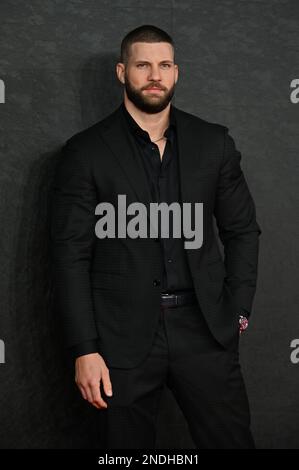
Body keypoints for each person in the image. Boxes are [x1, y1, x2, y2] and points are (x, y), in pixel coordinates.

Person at [50, 24, 262, 449]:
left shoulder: (213, 144)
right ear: (121, 71)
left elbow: (241, 231)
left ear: (176, 73)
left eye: (164, 65)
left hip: (204, 330)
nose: (154, 75)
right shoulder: (85, 151)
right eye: (143, 65)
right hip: (119, 339)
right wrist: (85, 349)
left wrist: (237, 310)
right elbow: (69, 254)